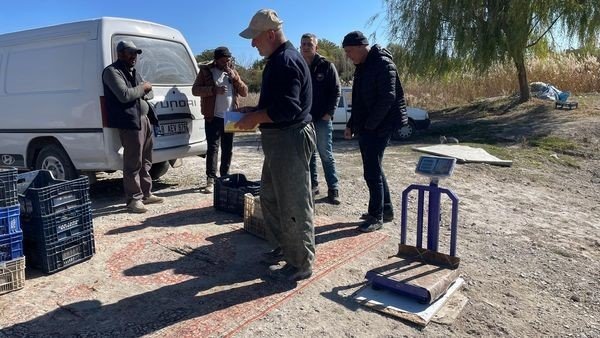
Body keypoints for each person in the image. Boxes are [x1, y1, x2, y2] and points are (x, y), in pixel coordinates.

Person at [236, 9, 316, 281]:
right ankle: (285, 248)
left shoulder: (286, 61)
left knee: (294, 202)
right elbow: (278, 103)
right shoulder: (278, 60)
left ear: (270, 34)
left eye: (255, 38)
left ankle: (301, 262)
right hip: (278, 139)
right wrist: (254, 111)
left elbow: (288, 108)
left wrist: (256, 117)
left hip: (289, 139)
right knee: (271, 197)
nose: (252, 44)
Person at [342, 31, 408, 232]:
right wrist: (352, 124)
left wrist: (370, 125)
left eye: (350, 51)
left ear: (362, 46)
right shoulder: (362, 66)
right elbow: (359, 100)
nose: (348, 56)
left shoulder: (382, 62)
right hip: (368, 125)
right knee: (375, 168)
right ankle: (385, 210)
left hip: (381, 125)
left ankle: (375, 216)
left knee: (371, 171)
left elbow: (388, 98)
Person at [102, 40, 165, 213]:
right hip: (129, 122)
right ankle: (133, 200)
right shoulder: (111, 72)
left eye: (136, 53)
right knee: (132, 162)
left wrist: (142, 89)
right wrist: (142, 88)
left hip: (144, 119)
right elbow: (124, 95)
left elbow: (149, 92)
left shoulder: (133, 71)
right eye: (130, 53)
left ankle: (146, 194)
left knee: (146, 160)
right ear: (120, 53)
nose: (134, 57)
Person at [192, 47, 248, 193]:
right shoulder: (206, 71)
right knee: (213, 148)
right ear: (216, 60)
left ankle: (224, 177)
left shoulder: (232, 71)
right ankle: (211, 179)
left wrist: (234, 77)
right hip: (213, 116)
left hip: (231, 116)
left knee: (228, 149)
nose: (226, 63)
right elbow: (195, 90)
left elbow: (244, 92)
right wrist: (213, 90)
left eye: (228, 60)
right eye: (223, 60)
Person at [300, 33, 342, 205]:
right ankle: (313, 185)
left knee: (325, 154)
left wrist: (329, 113)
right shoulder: (298, 65)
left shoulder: (326, 66)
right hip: (305, 119)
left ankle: (334, 188)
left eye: (309, 44)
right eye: (303, 44)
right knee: (309, 155)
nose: (306, 47)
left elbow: (336, 91)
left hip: (323, 119)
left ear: (316, 47)